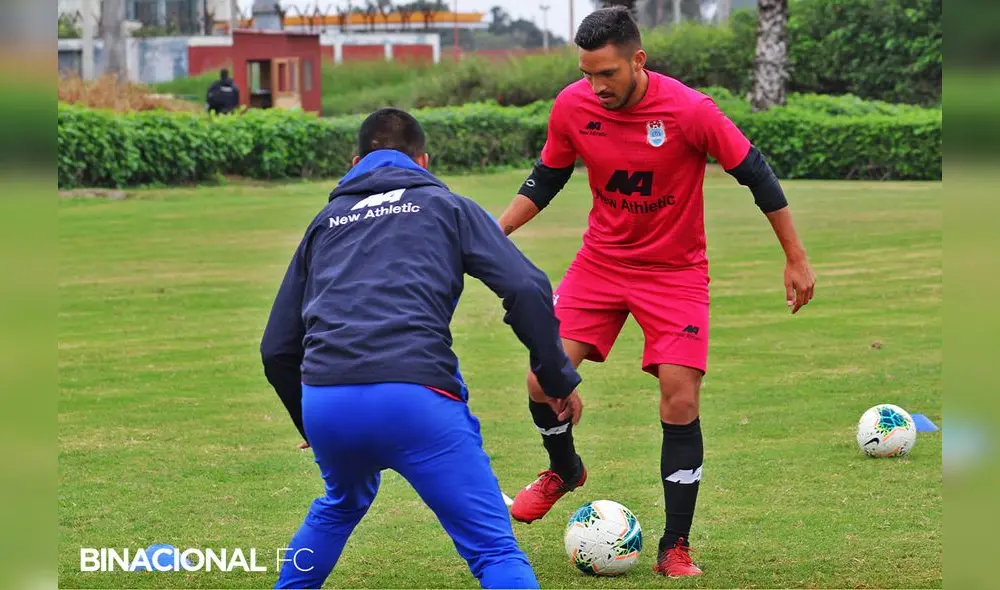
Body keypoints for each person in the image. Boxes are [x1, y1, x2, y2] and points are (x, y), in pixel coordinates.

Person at [498, 6, 817, 578]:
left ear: (637, 60)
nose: (596, 87)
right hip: (600, 263)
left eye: (608, 75)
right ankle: (564, 468)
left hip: (675, 273)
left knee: (680, 395)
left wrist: (795, 257)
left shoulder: (690, 110)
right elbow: (547, 177)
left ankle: (675, 544)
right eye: (588, 74)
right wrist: (493, 234)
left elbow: (757, 173)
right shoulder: (573, 106)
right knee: (540, 380)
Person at [259, 108, 584, 589]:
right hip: (415, 397)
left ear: (353, 163)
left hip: (328, 400)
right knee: (494, 551)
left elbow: (276, 349)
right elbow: (526, 286)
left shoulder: (325, 221)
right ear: (424, 162)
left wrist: (309, 419)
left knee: (340, 505)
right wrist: (556, 378)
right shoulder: (445, 205)